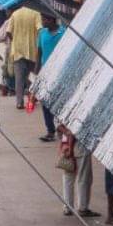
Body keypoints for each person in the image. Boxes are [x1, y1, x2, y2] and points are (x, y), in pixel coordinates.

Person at [36, 13, 67, 142]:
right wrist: (37, 71)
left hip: (61, 72)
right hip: (45, 73)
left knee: (62, 102)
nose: (42, 21)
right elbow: (39, 52)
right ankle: (50, 130)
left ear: (51, 19)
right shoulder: (42, 33)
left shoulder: (63, 32)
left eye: (44, 19)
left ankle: (63, 128)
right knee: (45, 102)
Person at [6, 3, 43, 110]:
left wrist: (14, 40)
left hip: (18, 50)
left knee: (19, 77)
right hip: (32, 50)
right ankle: (31, 100)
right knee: (32, 76)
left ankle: (19, 102)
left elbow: (8, 32)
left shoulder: (15, 14)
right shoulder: (36, 13)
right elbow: (40, 29)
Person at [58, 125, 99, 217]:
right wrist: (70, 139)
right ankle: (82, 208)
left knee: (68, 178)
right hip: (80, 147)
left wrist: (66, 135)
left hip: (66, 146)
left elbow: (58, 125)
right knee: (83, 179)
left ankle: (67, 207)